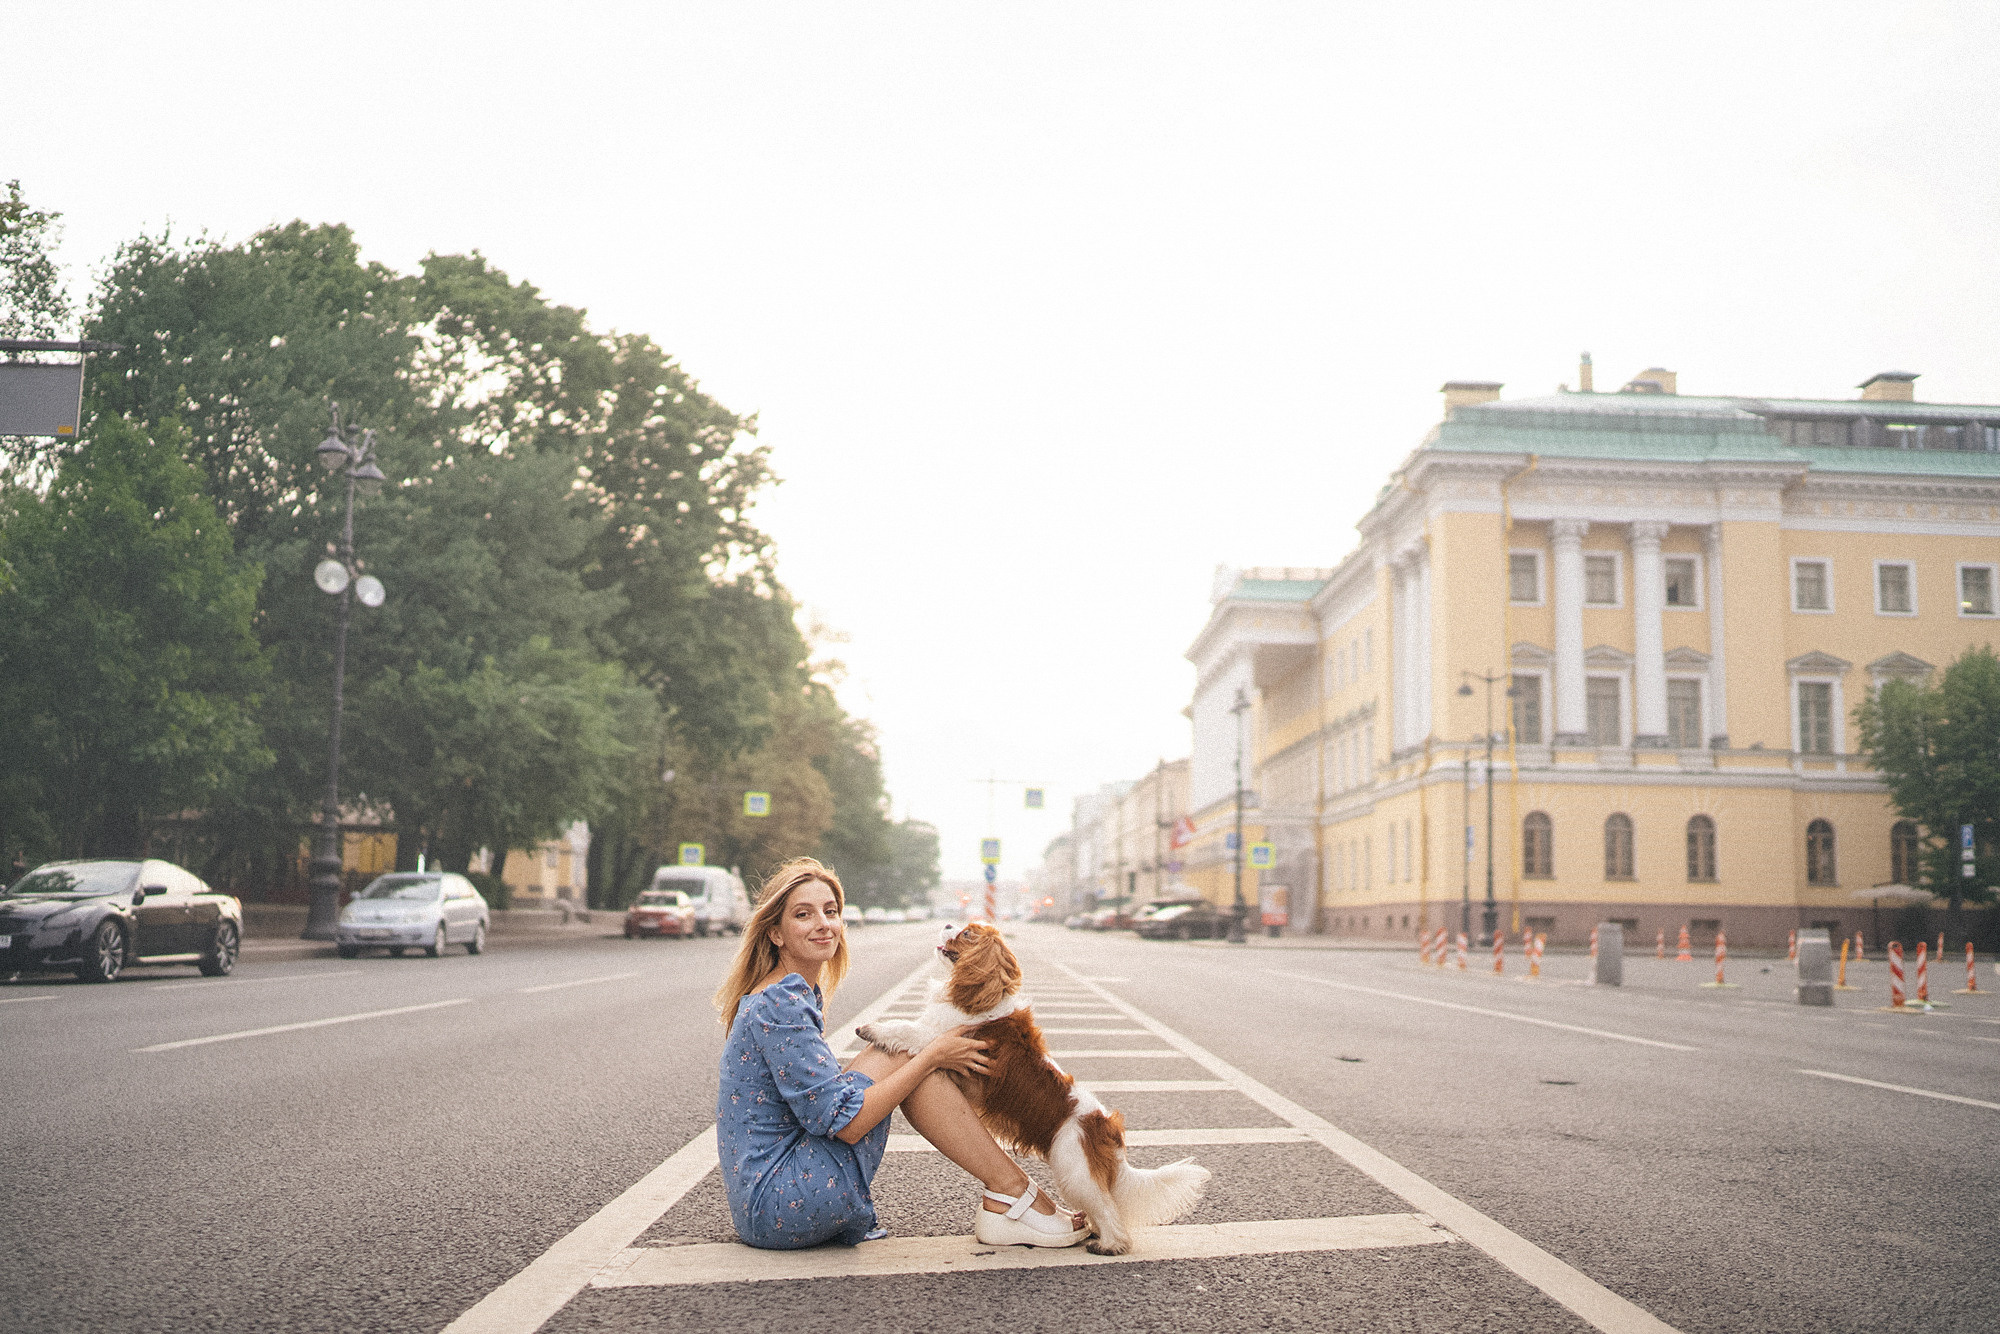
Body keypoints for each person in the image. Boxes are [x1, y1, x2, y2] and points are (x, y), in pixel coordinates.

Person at [713, 857, 1088, 1250]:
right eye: (803, 915)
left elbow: (820, 1102)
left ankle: (1011, 1192)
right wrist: (932, 1056)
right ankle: (1012, 1192)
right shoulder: (781, 1003)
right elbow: (846, 1124)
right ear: (775, 933)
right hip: (780, 1207)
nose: (823, 924)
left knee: (900, 1049)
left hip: (769, 1196)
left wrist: (930, 1052)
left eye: (831, 911)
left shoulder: (783, 992)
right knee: (913, 1057)